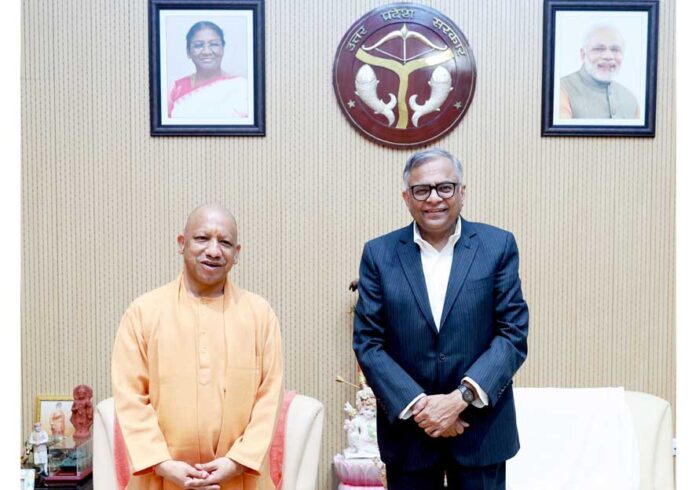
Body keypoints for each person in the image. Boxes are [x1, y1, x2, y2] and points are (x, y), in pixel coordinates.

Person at [353, 148, 529, 489]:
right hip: (409, 434)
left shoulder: (497, 246)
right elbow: (369, 342)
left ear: (462, 192)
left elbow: (512, 333)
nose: (434, 198)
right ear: (407, 198)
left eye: (445, 187)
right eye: (422, 190)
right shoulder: (379, 254)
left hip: (481, 432)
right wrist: (423, 407)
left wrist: (459, 399)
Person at [112, 204, 283, 490]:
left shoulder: (260, 315)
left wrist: (238, 461)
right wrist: (162, 464)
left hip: (239, 478)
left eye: (224, 242)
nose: (213, 251)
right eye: (202, 238)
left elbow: (270, 396)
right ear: (182, 243)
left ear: (236, 254)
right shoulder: (143, 313)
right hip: (160, 478)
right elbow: (130, 396)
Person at [168, 21, 248, 119]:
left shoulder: (241, 88)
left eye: (214, 44)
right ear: (188, 51)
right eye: (198, 45)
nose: (207, 52)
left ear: (223, 49)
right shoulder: (177, 89)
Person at [559, 24, 640, 119]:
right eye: (598, 49)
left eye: (615, 50)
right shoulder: (561, 89)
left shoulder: (630, 99)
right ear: (583, 54)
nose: (608, 56)